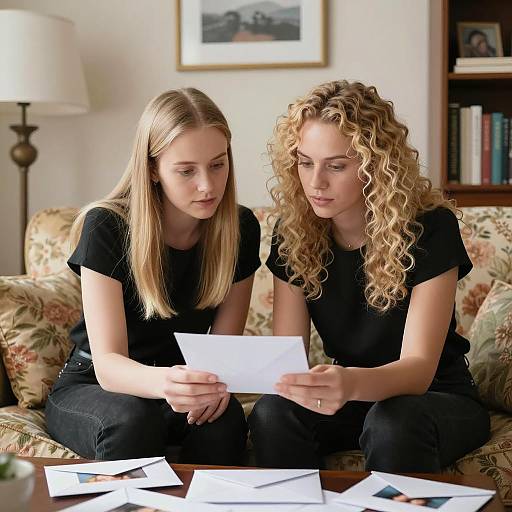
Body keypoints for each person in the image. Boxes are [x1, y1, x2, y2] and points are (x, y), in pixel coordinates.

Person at [248, 80, 490, 472]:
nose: (315, 182)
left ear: (375, 163)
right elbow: (287, 360)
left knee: (391, 422)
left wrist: (349, 384)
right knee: (273, 413)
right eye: (305, 162)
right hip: (352, 398)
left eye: (336, 166)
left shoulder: (430, 228)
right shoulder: (292, 232)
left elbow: (418, 369)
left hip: (434, 398)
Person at [45, 88, 261, 463]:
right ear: (152, 169)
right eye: (186, 170)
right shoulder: (107, 226)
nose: (208, 185)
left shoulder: (240, 228)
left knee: (224, 423)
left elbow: (224, 353)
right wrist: (171, 385)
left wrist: (208, 387)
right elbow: (109, 365)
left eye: (217, 164)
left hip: (179, 386)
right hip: (94, 381)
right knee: (132, 419)